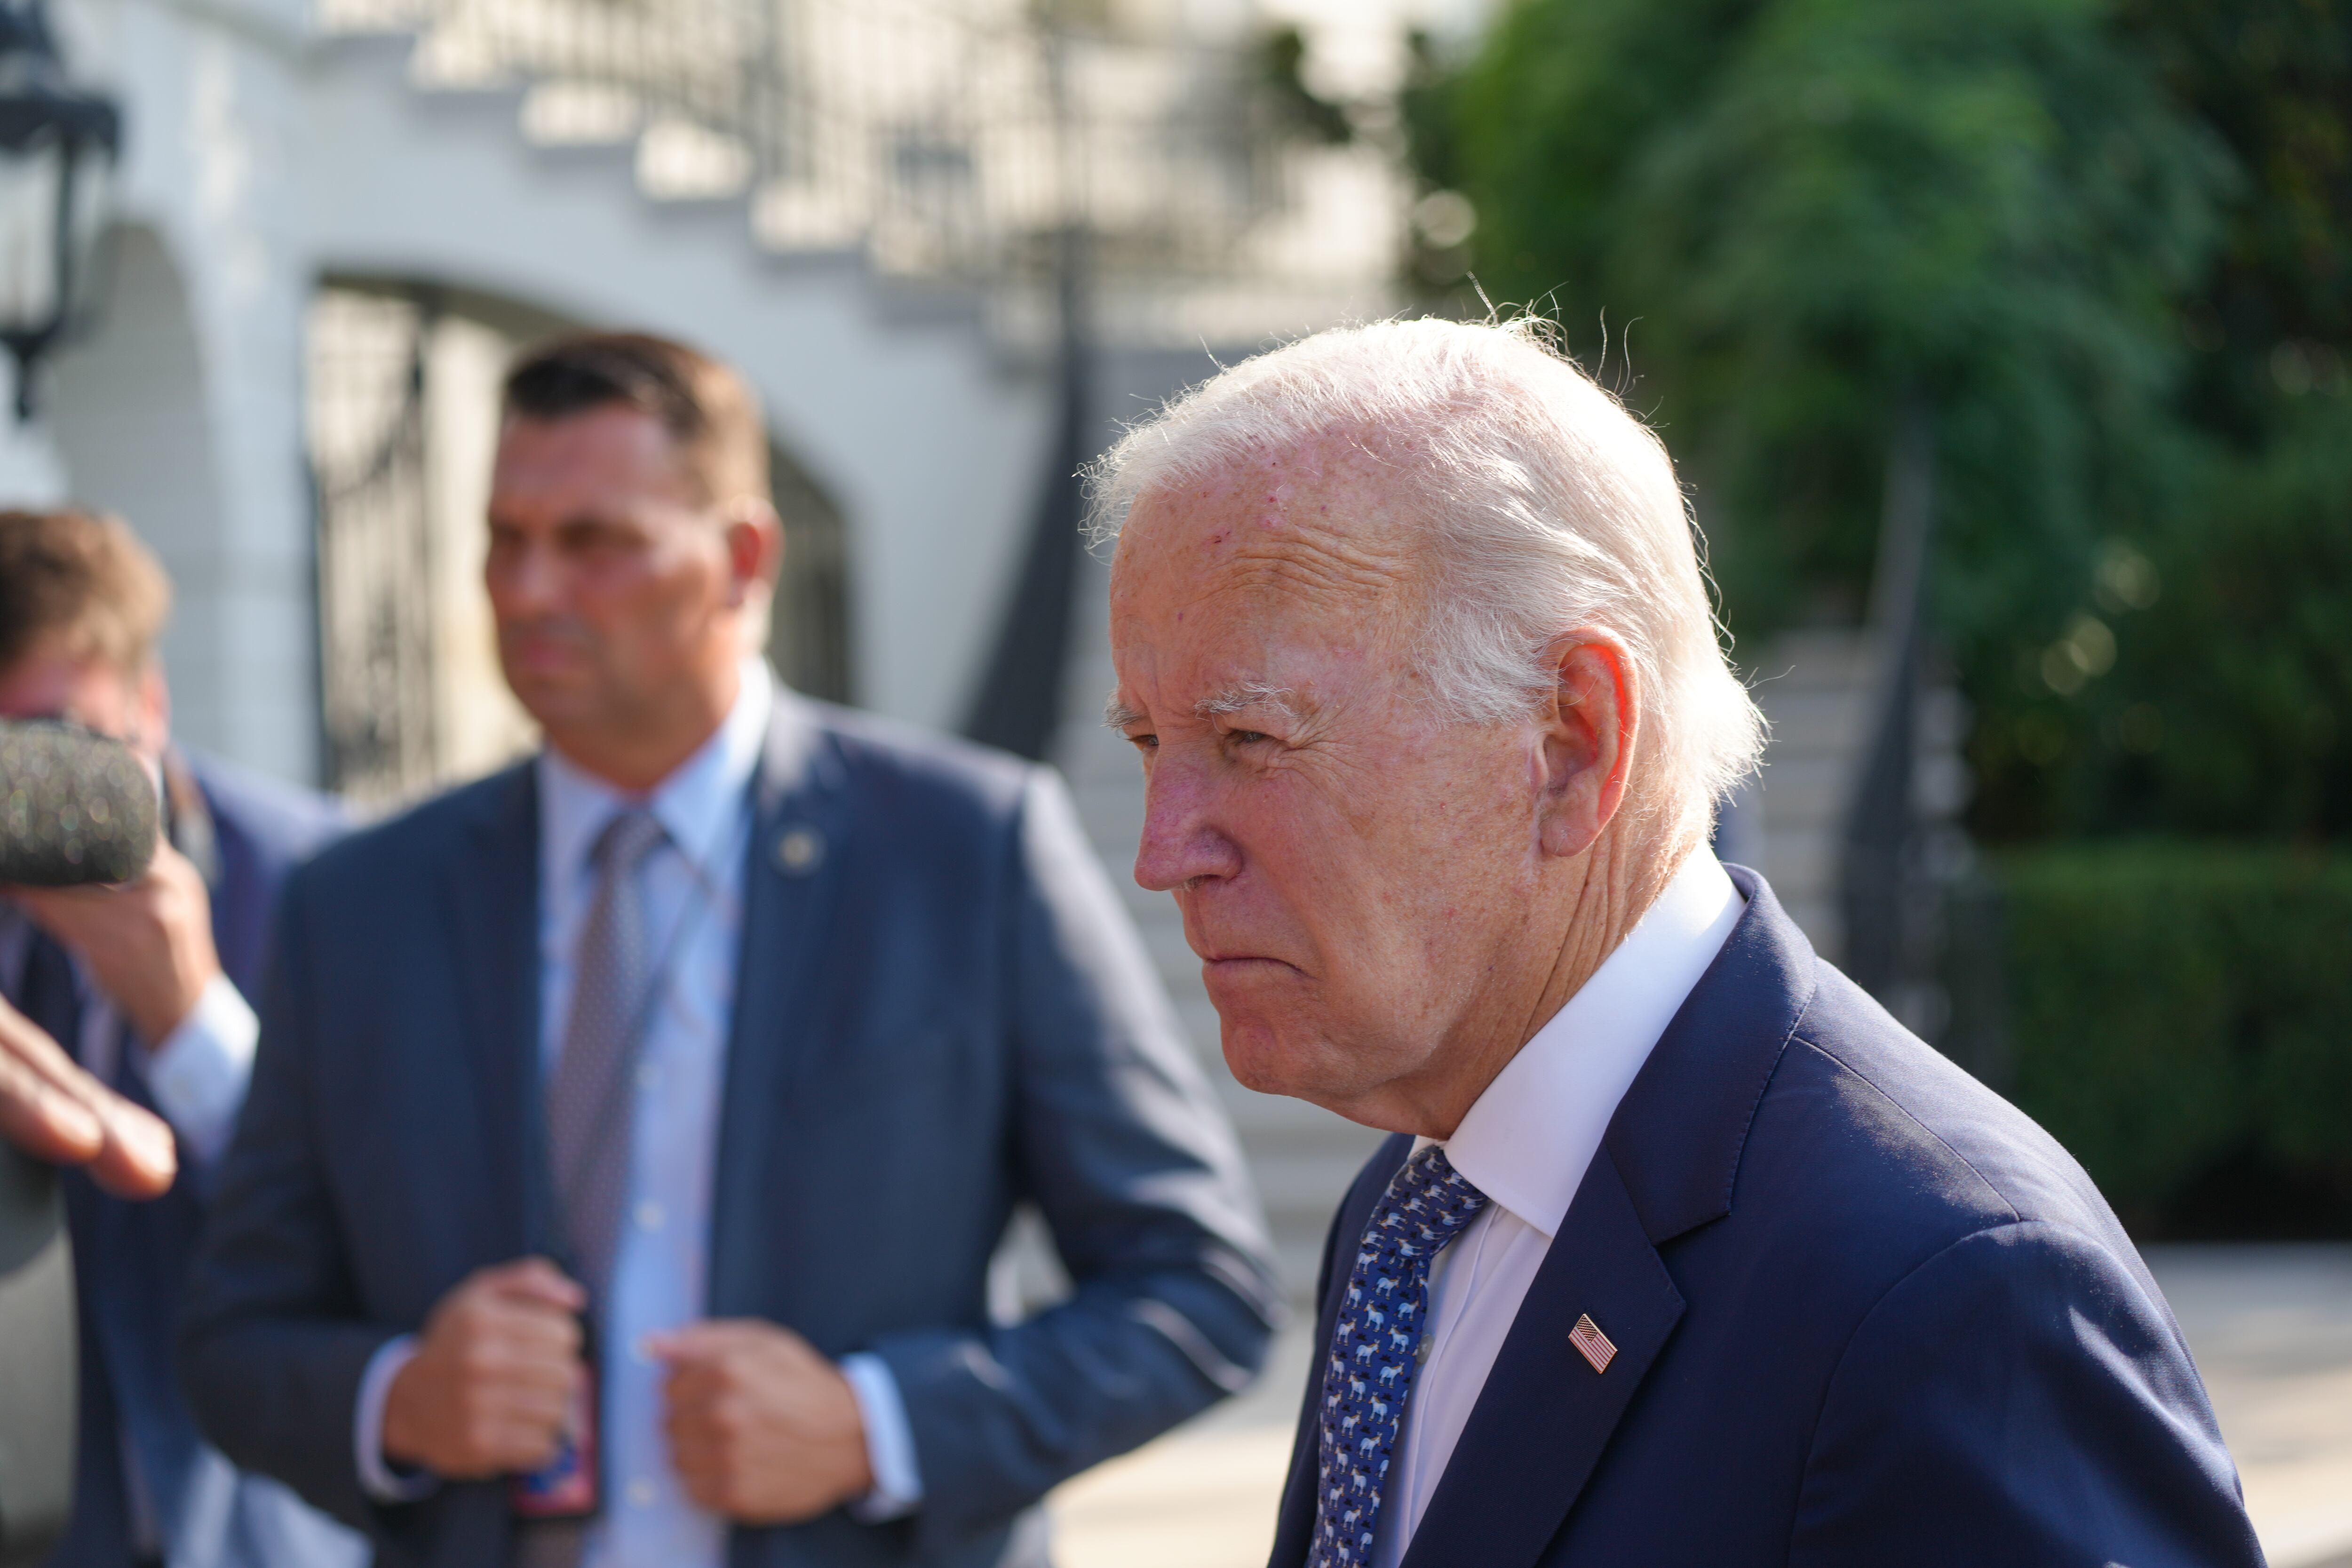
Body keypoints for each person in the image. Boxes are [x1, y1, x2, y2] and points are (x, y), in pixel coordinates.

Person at [1095, 319, 2265, 1567]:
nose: (1163, 852)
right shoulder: (1412, 1209)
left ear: (1573, 741)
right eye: (1150, 742)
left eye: (1252, 740)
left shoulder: (1951, 1285)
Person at [180, 333, 1279, 1568]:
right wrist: (398, 1399)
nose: (529, 589)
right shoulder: (359, 901)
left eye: (595, 541)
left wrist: (877, 1425)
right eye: (504, 538)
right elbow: (233, 1338)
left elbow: (1197, 1288)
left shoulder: (965, 852)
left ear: (743, 558)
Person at [0, 510, 359, 1568]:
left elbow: (374, 1237)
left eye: (53, 745)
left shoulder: (322, 883)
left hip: (264, 1525)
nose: (23, 795)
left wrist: (191, 1018)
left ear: (149, 706)